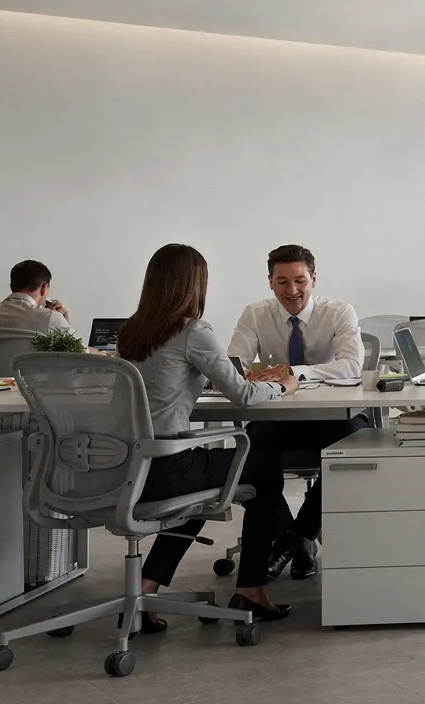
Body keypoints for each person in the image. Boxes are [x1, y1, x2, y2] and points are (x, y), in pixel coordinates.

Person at [114, 244, 295, 629]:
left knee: (200, 491)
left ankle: (146, 589)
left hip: (125, 468)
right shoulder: (192, 331)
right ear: (195, 284)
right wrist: (283, 386)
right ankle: (251, 588)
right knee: (264, 470)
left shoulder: (130, 331)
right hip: (166, 469)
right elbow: (244, 395)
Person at [226, 244, 364, 584]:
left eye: (300, 281)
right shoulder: (255, 314)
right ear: (270, 282)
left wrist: (294, 374)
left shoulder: (339, 312)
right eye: (282, 282)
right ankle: (297, 541)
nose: (292, 290)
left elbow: (351, 365)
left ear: (314, 279)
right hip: (278, 418)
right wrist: (247, 373)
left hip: (331, 417)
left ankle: (293, 538)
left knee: (359, 444)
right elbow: (235, 366)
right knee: (248, 453)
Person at [0, 260, 69, 330]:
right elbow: (75, 352)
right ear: (44, 288)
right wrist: (64, 318)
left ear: (11, 287)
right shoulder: (50, 319)